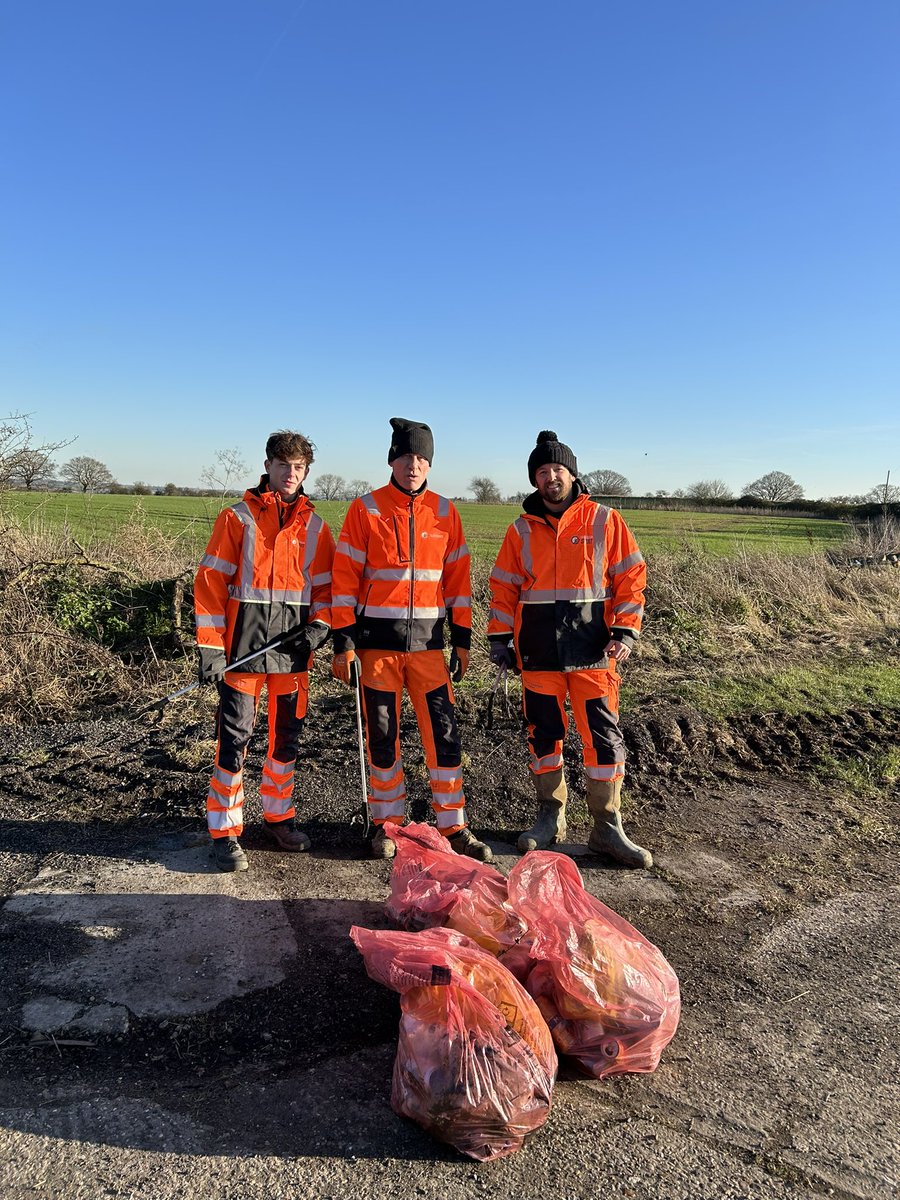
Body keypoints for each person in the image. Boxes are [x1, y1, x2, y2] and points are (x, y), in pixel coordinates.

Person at [330, 417, 493, 862]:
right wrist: (342, 642)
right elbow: (343, 581)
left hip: (429, 649)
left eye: (422, 458)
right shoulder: (365, 510)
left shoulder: (446, 512)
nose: (413, 466)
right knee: (382, 735)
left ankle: (454, 825)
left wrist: (463, 639)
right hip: (376, 648)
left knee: (443, 734)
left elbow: (459, 582)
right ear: (392, 461)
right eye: (405, 457)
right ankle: (389, 824)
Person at [488, 430, 652, 868]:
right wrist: (499, 638)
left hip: (595, 652)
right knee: (544, 736)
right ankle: (550, 817)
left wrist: (624, 630)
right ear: (534, 480)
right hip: (538, 653)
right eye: (542, 472)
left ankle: (607, 826)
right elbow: (504, 587)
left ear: (572, 474)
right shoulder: (521, 529)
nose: (550, 478)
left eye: (557, 469)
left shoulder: (604, 520)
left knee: (603, 738)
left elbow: (631, 577)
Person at [194, 430, 335, 872]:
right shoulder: (235, 519)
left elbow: (329, 590)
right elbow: (210, 585)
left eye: (299, 468)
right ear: (268, 465)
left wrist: (320, 628)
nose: (290, 474)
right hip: (241, 654)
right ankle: (225, 828)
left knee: (285, 741)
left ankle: (279, 817)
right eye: (283, 465)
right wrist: (210, 649)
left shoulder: (316, 527)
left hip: (292, 659)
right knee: (233, 741)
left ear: (306, 472)